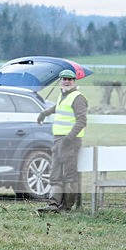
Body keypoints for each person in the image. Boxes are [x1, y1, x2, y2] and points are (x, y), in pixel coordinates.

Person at [37, 69, 88, 212]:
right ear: (60, 81)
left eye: (69, 79)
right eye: (64, 79)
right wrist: (45, 113)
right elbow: (58, 108)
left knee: (69, 175)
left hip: (70, 141)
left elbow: (82, 121)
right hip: (58, 140)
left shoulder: (78, 98)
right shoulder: (63, 95)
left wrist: (69, 138)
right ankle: (53, 205)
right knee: (55, 173)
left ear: (74, 81)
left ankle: (66, 208)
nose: (67, 81)